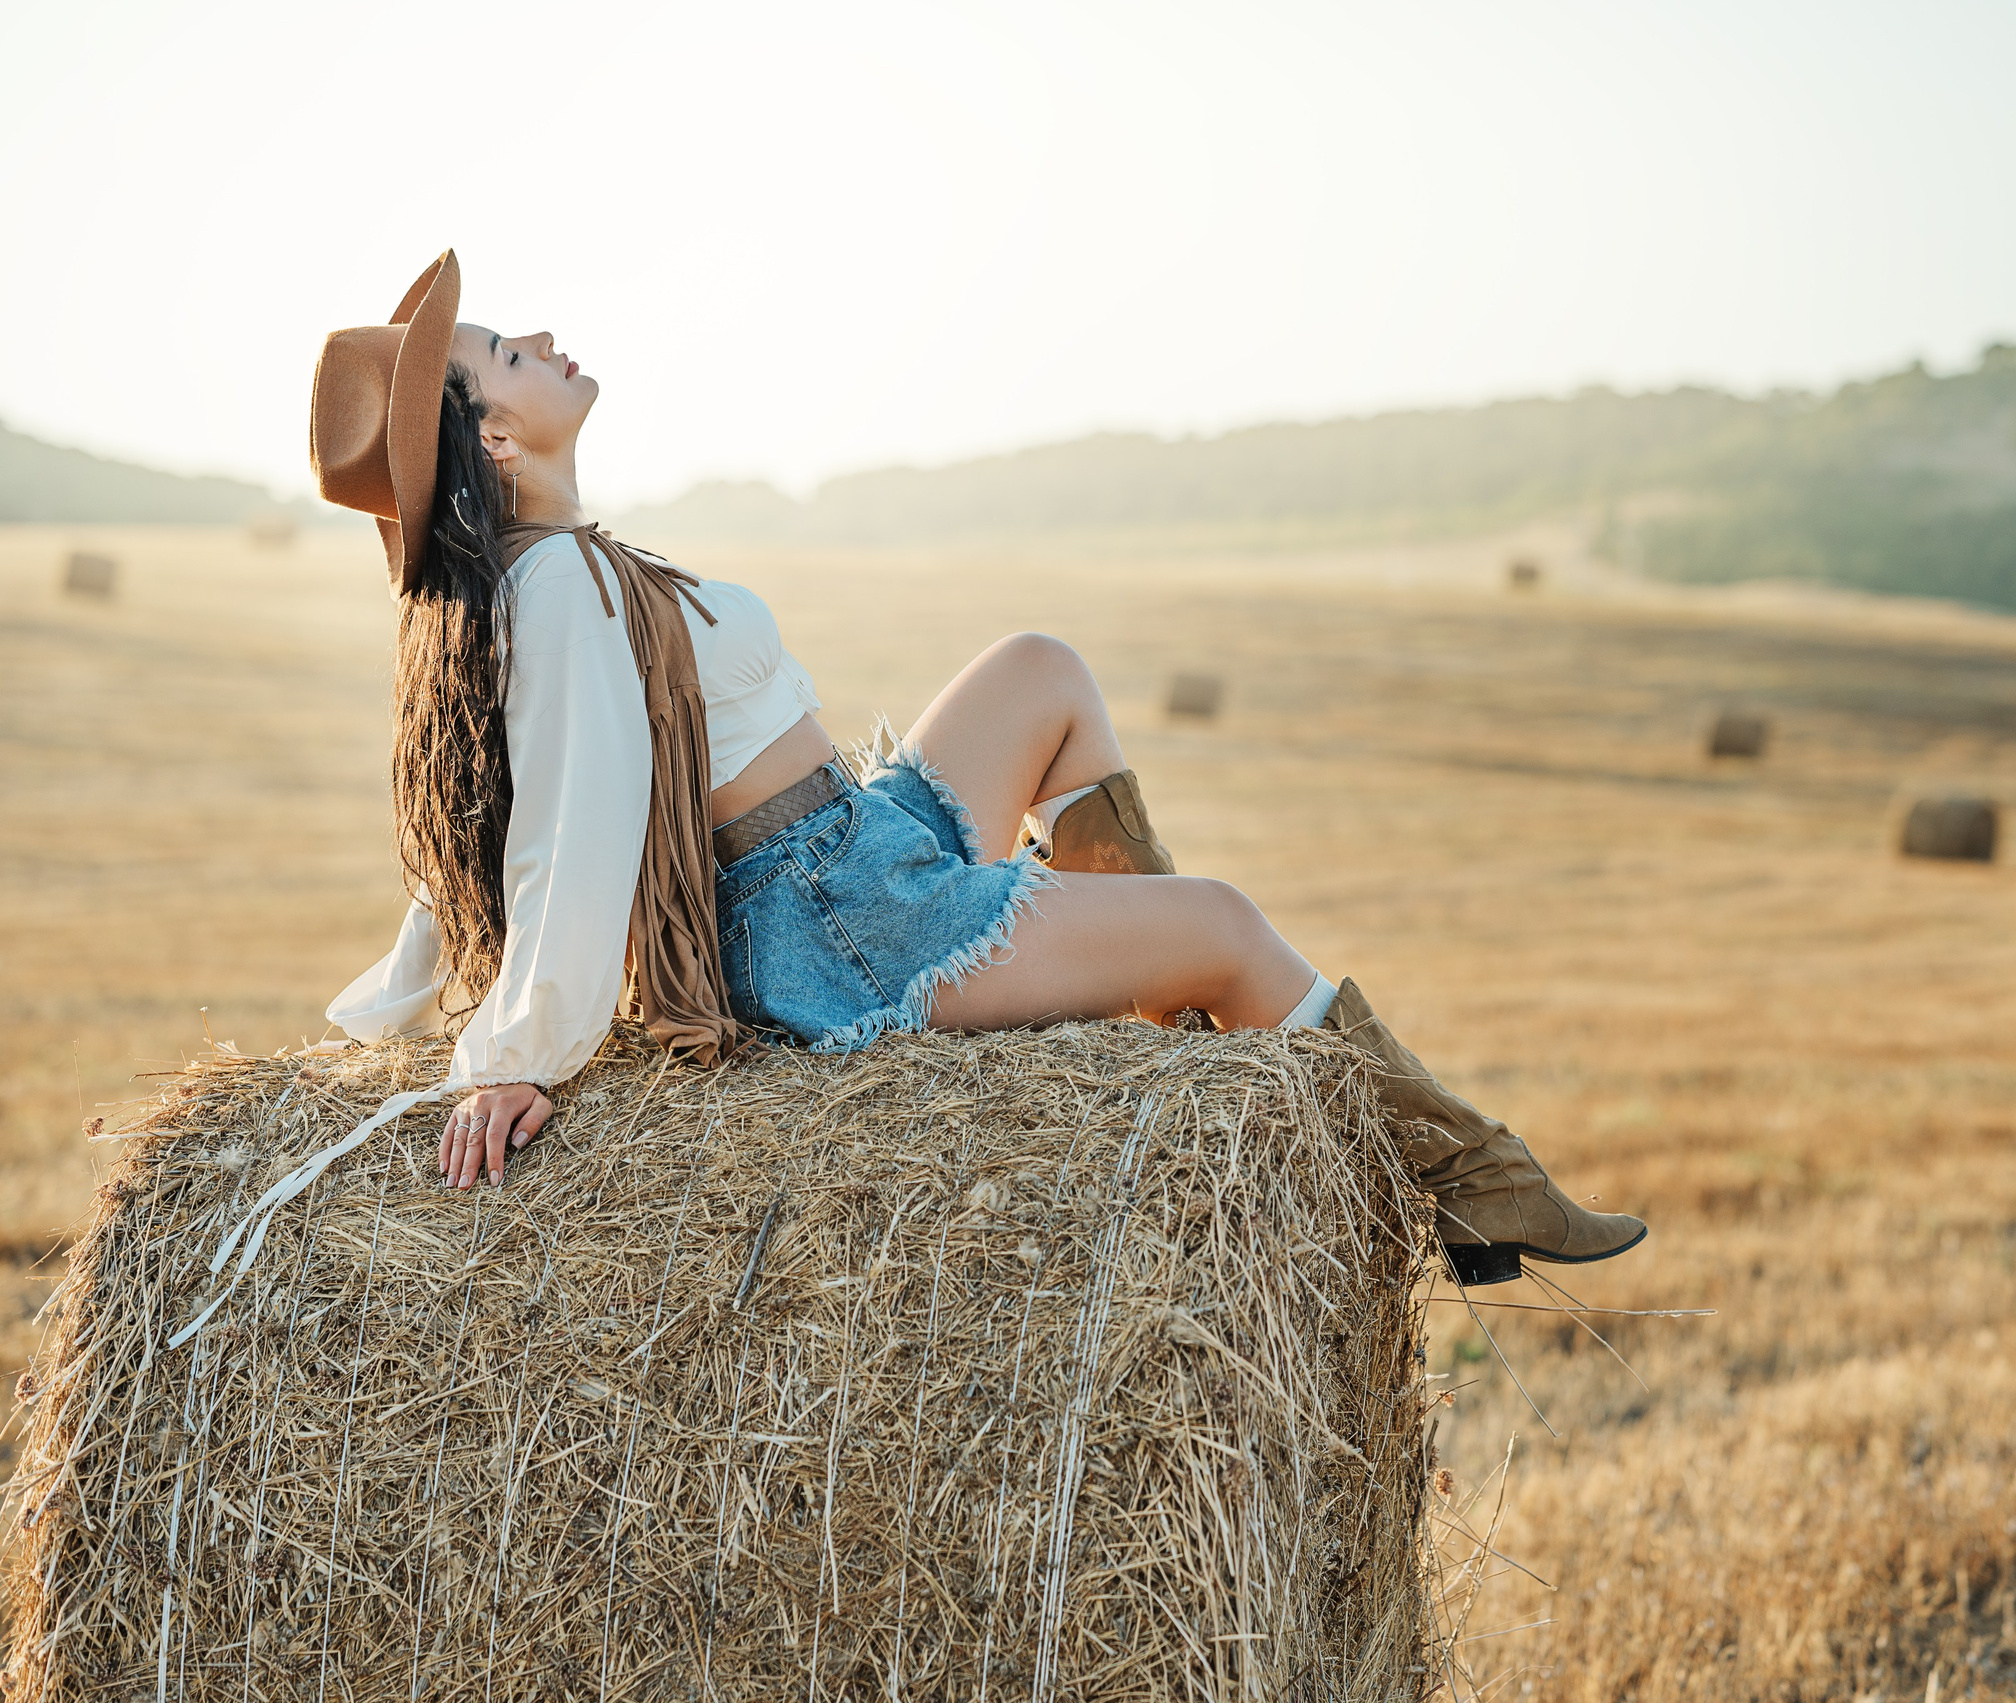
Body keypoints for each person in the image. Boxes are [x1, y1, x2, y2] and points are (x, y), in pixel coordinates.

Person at [311, 251, 1642, 1288]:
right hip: (841, 921)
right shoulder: (558, 591)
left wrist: (399, 994)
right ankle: (1462, 1173)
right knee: (1232, 925)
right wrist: (519, 1051)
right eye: (503, 352)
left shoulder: (569, 572)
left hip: (852, 849)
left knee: (1040, 671)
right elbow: (565, 821)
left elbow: (485, 804)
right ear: (493, 440)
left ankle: (1169, 1050)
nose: (539, 341)